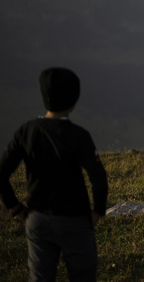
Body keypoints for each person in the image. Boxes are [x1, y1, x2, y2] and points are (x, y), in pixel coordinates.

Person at [0, 67, 108, 281]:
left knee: (40, 277)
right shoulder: (79, 135)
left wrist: (14, 206)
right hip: (75, 220)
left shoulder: (27, 131)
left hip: (38, 218)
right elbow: (98, 178)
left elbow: (1, 173)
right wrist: (98, 211)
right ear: (73, 100)